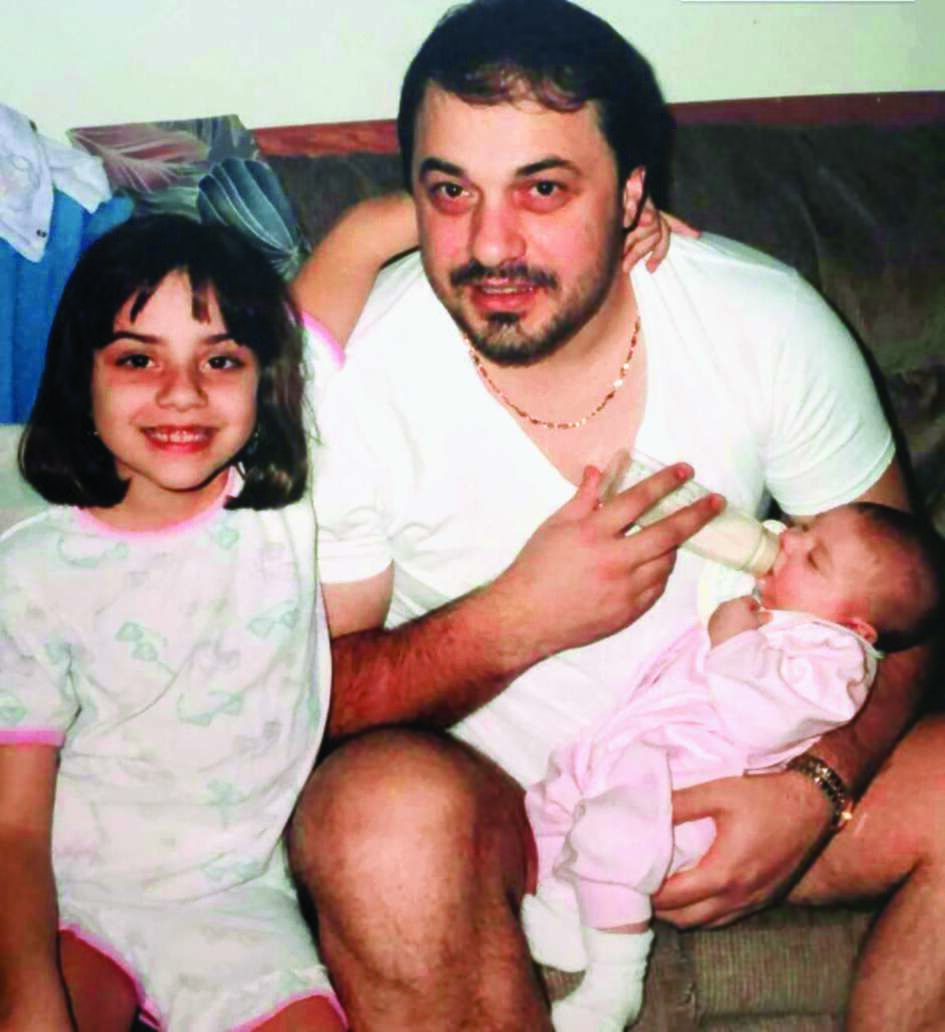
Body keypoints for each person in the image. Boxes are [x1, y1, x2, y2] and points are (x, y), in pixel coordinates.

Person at [287, 1, 944, 1029]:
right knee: (371, 821)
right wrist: (512, 622)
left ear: (632, 194)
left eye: (543, 189)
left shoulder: (761, 324)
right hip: (510, 818)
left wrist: (817, 786)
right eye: (450, 191)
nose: (489, 245)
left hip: (739, 770)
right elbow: (301, 702)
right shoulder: (355, 373)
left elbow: (905, 611)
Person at [0, 212, 409, 1032]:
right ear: (82, 377)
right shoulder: (32, 572)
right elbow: (12, 826)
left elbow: (361, 237)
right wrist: (28, 993)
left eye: (219, 360)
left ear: (265, 377)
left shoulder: (282, 501)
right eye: (137, 359)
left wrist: (610, 213)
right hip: (74, 896)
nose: (181, 392)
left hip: (238, 903)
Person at [523, 502, 943, 1031]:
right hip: (638, 752)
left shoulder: (834, 659)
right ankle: (569, 910)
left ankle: (614, 984)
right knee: (558, 802)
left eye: (814, 560)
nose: (789, 541)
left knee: (614, 836)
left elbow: (764, 721)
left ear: (856, 625)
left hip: (692, 787)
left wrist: (734, 639)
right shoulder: (782, 606)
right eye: (805, 528)